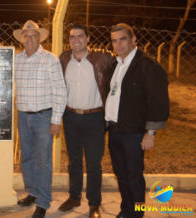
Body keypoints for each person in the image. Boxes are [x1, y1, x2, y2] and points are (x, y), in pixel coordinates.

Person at [105, 23, 169, 218]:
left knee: (134, 177)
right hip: (115, 130)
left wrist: (150, 133)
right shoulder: (116, 65)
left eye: (122, 39)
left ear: (133, 40)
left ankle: (138, 214)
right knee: (122, 175)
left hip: (134, 133)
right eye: (114, 41)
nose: (118, 44)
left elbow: (158, 101)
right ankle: (126, 210)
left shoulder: (148, 66)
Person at [59, 23, 115, 218]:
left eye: (80, 36)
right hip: (71, 116)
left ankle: (94, 204)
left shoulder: (102, 59)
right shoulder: (64, 59)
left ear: (88, 38)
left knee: (93, 164)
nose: (76, 40)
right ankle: (74, 197)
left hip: (95, 117)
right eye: (72, 37)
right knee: (74, 161)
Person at [13, 20, 67, 218]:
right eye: (26, 35)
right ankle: (33, 193)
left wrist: (56, 120)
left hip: (44, 117)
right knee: (26, 157)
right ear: (22, 39)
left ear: (39, 38)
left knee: (42, 160)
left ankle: (43, 201)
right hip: (23, 116)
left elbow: (60, 90)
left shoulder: (50, 60)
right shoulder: (16, 59)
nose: (29, 38)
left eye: (33, 35)